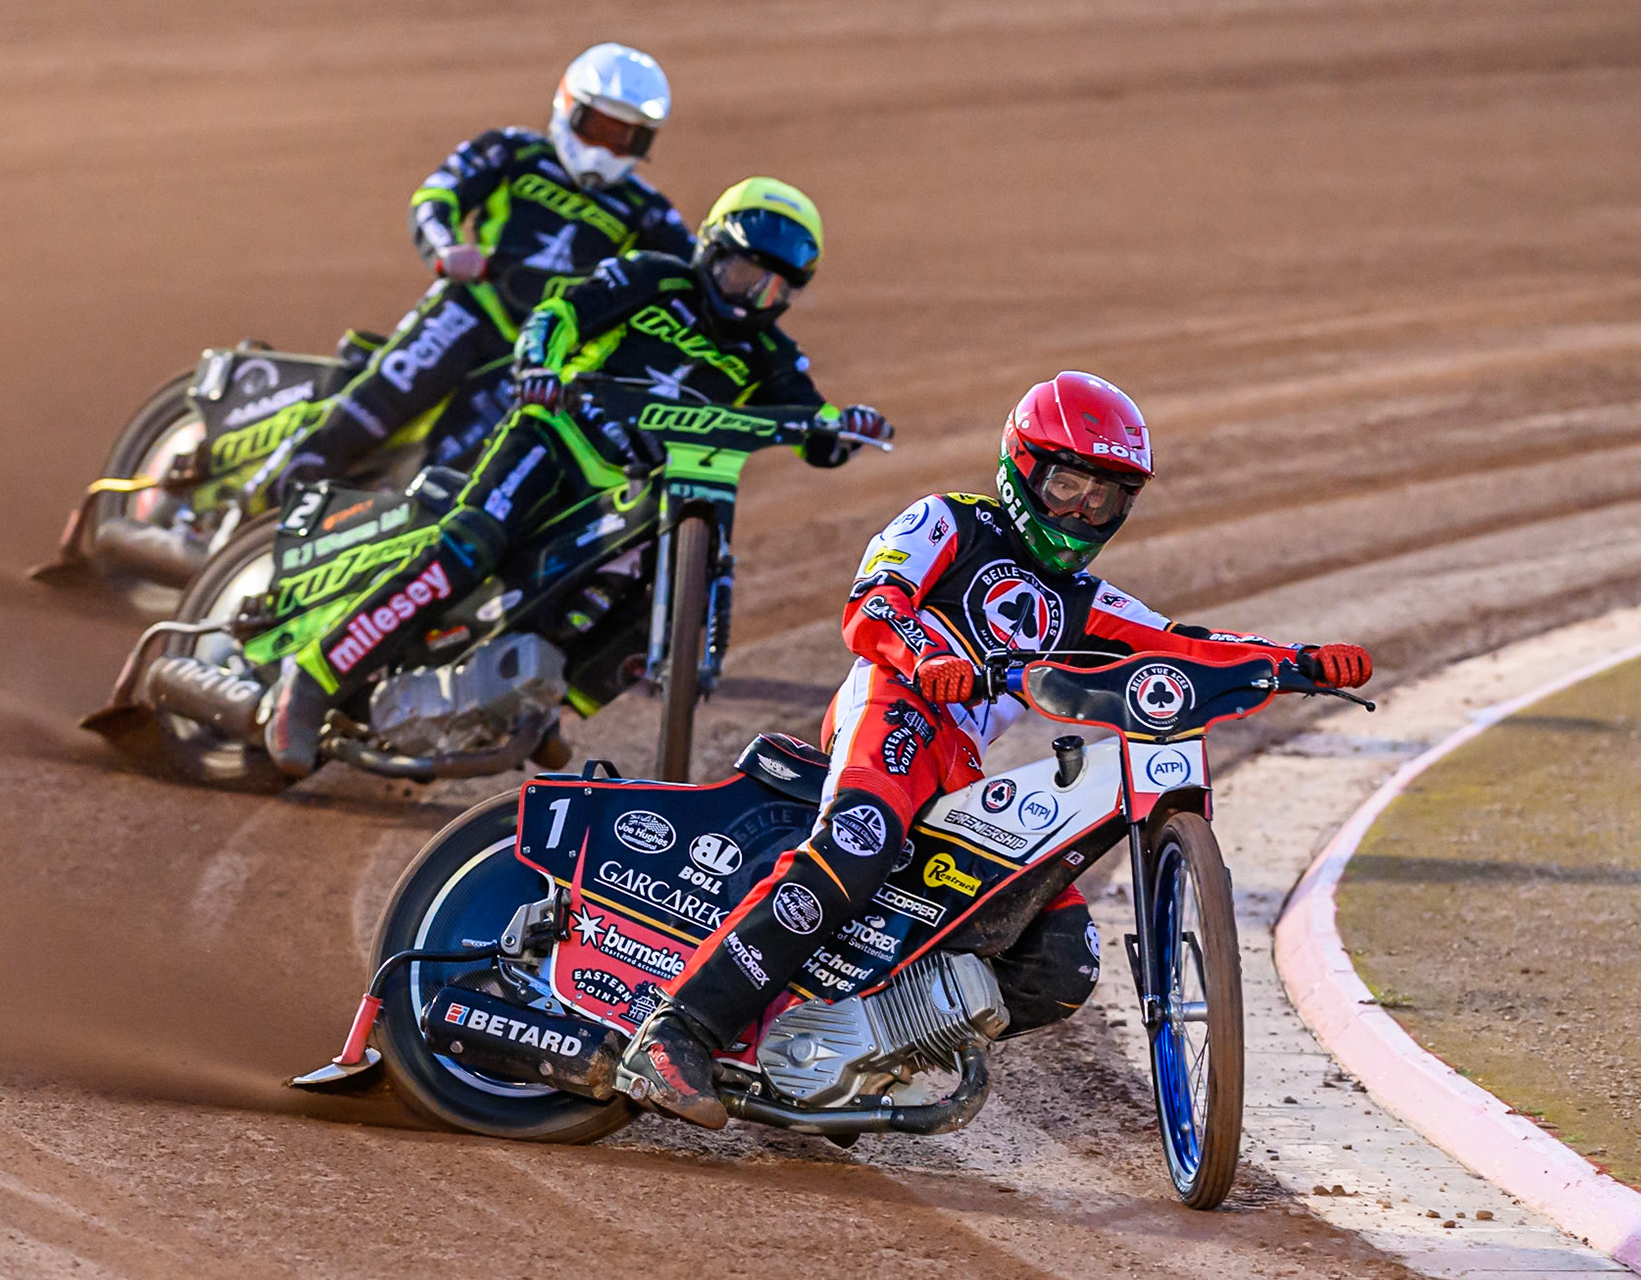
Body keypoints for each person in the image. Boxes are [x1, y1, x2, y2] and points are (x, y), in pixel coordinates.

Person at [617, 370, 1375, 1128]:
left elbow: (1184, 645)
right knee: (857, 843)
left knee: (1061, 958)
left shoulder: (1090, 602)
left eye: (1105, 498)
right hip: (894, 707)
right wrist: (926, 657)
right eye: (1067, 485)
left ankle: (855, 1053)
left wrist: (1299, 661)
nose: (1081, 511)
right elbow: (872, 603)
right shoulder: (947, 520)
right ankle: (678, 1031)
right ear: (1021, 469)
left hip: (960, 762)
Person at [261, 177, 893, 775]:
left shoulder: (771, 355)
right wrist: (540, 364)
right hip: (555, 435)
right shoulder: (651, 277)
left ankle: (545, 701)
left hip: (638, 492)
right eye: (746, 275)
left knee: (654, 597)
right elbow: (561, 313)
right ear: (712, 250)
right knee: (470, 546)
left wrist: (845, 429)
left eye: (775, 289)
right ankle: (312, 678)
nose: (754, 298)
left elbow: (812, 426)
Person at [275, 43, 696, 490]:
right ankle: (266, 495)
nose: (606, 148)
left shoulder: (647, 210)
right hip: (469, 310)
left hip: (537, 355)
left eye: (625, 137)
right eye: (598, 128)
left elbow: (692, 285)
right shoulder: (512, 151)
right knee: (370, 411)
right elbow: (437, 196)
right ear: (568, 105)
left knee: (456, 470)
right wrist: (446, 249)